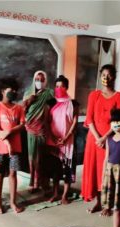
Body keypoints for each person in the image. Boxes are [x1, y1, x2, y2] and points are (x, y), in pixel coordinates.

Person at [81, 64, 120, 216]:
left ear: (114, 77)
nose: (106, 78)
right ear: (100, 77)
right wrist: (97, 137)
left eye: (109, 75)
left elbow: (118, 121)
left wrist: (105, 137)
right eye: (103, 75)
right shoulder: (94, 95)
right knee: (94, 170)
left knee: (107, 171)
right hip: (93, 139)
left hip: (110, 139)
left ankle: (109, 204)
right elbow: (89, 118)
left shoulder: (119, 96)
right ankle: (98, 202)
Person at [0, 78, 25, 214]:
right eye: (11, 90)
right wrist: (6, 140)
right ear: (3, 92)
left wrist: (10, 131)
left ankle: (13, 203)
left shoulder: (19, 108)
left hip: (15, 148)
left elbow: (22, 125)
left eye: (15, 91)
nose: (13, 93)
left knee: (13, 174)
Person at [46, 75, 78, 204]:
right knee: (55, 170)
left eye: (62, 86)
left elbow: (75, 121)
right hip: (53, 141)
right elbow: (47, 122)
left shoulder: (73, 103)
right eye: (57, 86)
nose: (59, 88)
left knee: (67, 170)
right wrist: (53, 137)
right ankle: (55, 193)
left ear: (67, 87)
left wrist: (66, 137)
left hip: (68, 141)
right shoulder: (51, 102)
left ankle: (64, 195)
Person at [23, 70, 54, 193]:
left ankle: (42, 181)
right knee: (32, 156)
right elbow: (23, 110)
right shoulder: (28, 93)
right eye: (37, 80)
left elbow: (53, 109)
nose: (39, 82)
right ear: (33, 80)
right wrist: (30, 100)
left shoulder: (49, 93)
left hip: (43, 128)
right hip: (30, 128)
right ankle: (33, 183)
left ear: (45, 81)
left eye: (42, 80)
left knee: (42, 156)